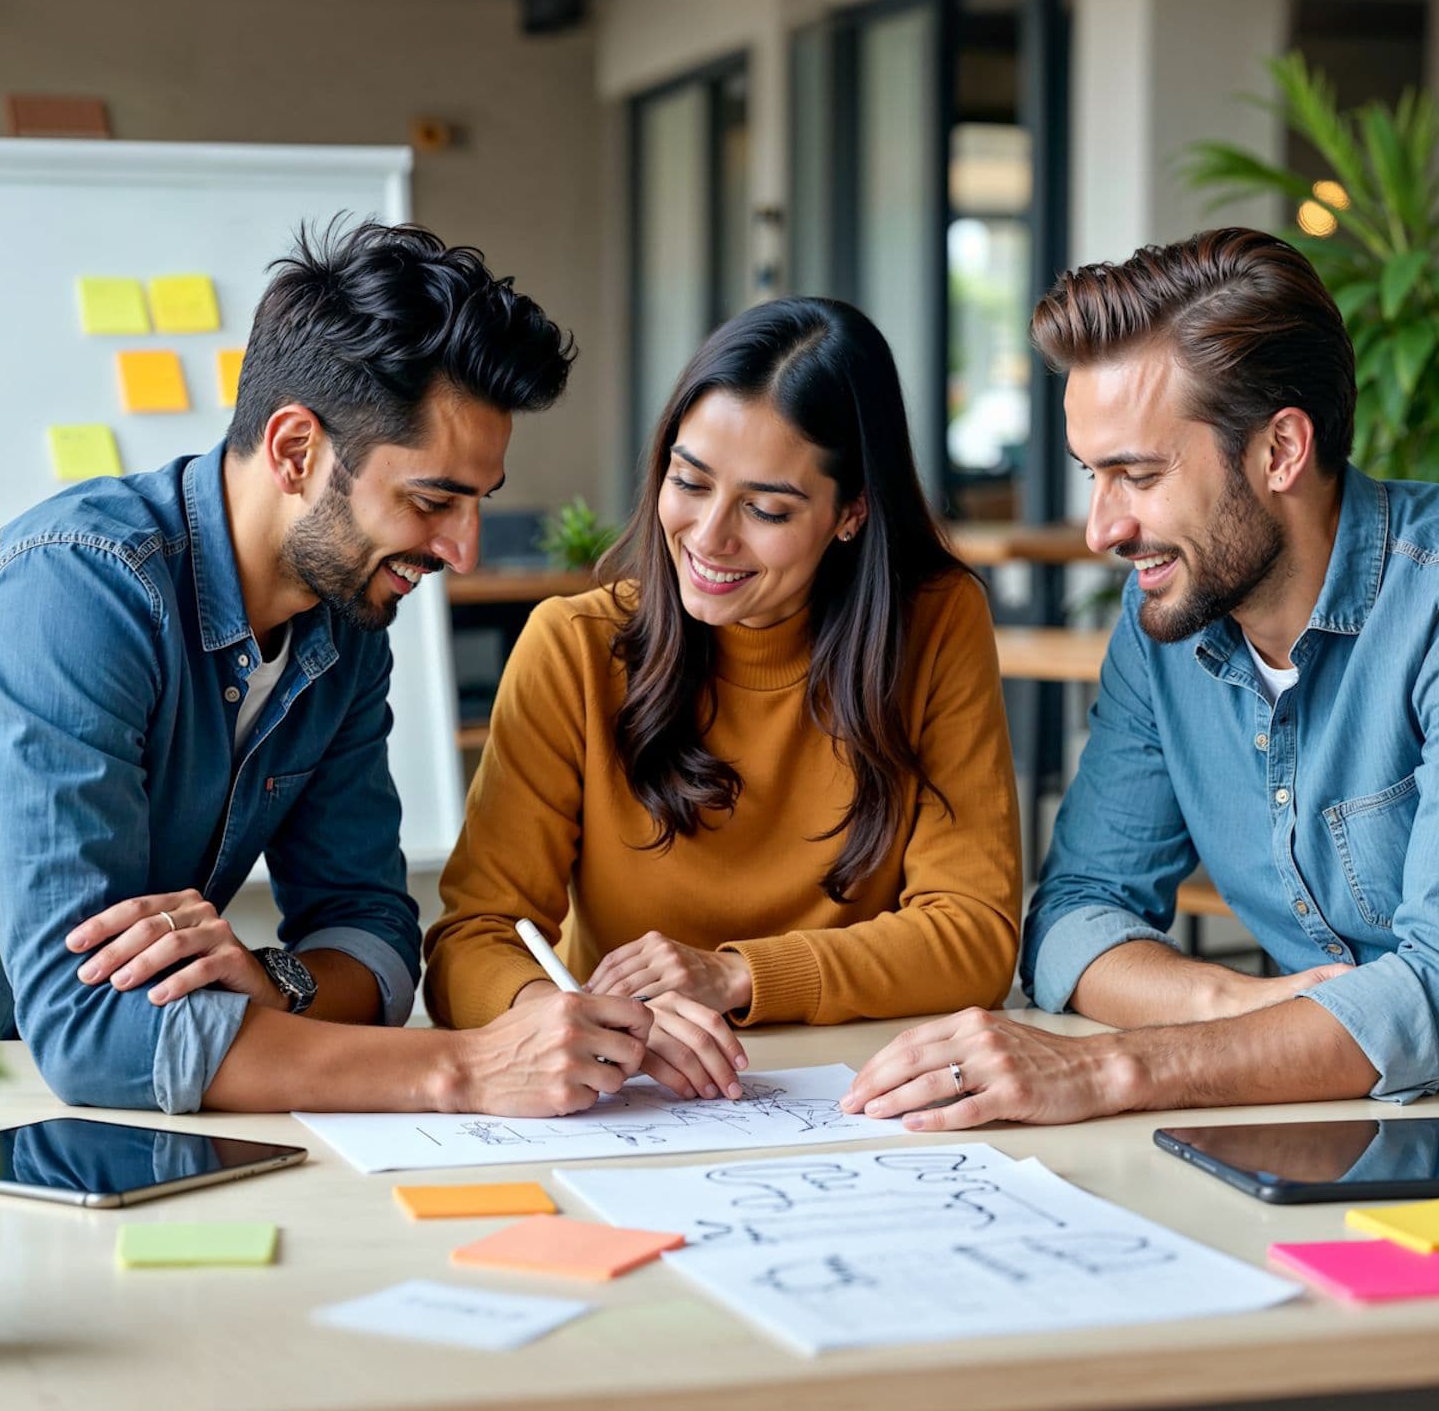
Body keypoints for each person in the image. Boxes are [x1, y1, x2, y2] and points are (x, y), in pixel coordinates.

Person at [0, 219, 652, 1117]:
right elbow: (92, 1031)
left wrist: (279, 984)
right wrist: (463, 1070)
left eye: (478, 506)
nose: (462, 551)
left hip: (55, 1106)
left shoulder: (343, 627)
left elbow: (376, 936)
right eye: (431, 500)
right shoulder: (76, 593)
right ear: (296, 449)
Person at [845, 227, 1439, 1138]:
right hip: (1351, 1127)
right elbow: (1073, 918)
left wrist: (1111, 1066)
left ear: (1281, 451)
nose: (1103, 528)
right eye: (1093, 475)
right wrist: (1227, 1006)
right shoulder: (1167, 628)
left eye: (1137, 475)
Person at [424, 296, 1021, 1098]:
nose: (708, 537)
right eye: (689, 481)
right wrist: (564, 1019)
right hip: (632, 1097)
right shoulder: (573, 648)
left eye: (767, 509)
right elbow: (472, 938)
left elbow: (975, 938)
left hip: (858, 1096)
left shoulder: (933, 626)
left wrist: (734, 975)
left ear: (852, 513)